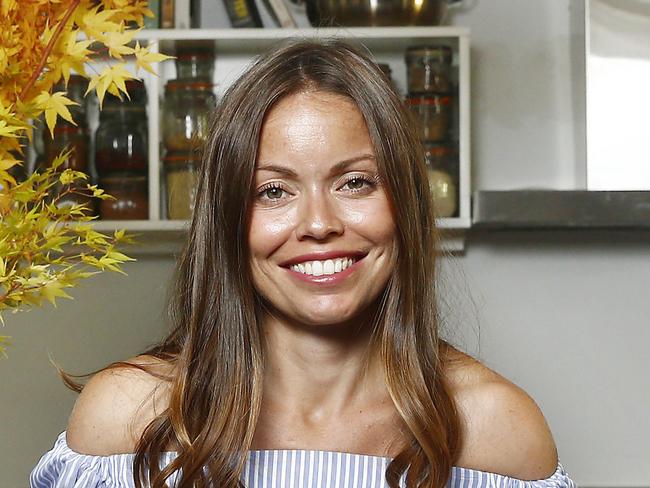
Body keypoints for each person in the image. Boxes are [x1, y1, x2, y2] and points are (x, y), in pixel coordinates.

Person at [30, 39, 576, 488]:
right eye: (272, 191)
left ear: (407, 202)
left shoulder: (498, 433)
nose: (318, 223)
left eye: (355, 182)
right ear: (225, 219)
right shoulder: (126, 420)